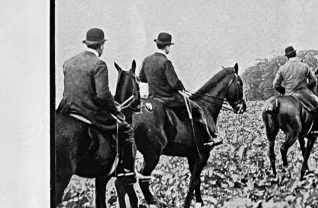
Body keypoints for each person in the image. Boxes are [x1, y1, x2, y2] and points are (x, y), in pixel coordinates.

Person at [56, 28, 134, 156]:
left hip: (66, 109)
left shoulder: (68, 63)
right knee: (125, 129)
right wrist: (115, 109)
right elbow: (102, 95)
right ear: (102, 45)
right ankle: (126, 170)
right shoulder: (99, 64)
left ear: (87, 43)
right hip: (88, 111)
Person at [139, 32, 222, 147]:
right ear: (167, 46)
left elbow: (142, 78)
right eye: (169, 46)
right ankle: (209, 138)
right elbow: (174, 84)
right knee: (197, 109)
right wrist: (181, 86)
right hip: (168, 98)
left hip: (153, 98)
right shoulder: (165, 62)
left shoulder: (146, 60)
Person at [274, 46, 318, 137]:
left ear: (287, 57)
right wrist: (307, 87)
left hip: (288, 94)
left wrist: (284, 91)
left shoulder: (282, 68)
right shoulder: (304, 66)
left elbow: (275, 85)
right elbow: (314, 80)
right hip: (302, 93)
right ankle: (316, 130)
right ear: (295, 54)